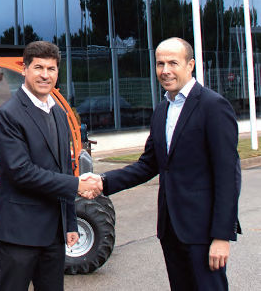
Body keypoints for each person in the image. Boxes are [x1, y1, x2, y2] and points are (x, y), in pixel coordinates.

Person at [84, 37, 241, 290]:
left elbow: (228, 176)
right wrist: (103, 182)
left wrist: (222, 236)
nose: (165, 70)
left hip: (203, 233)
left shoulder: (213, 106)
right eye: (159, 64)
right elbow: (148, 165)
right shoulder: (161, 111)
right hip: (171, 231)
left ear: (190, 65)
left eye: (172, 63)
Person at [0, 41, 100, 291]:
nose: (45, 75)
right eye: (38, 67)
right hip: (20, 233)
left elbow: (64, 167)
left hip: (53, 232)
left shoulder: (59, 113)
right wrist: (78, 185)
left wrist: (70, 222)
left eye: (51, 69)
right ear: (24, 69)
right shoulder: (9, 115)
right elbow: (21, 172)